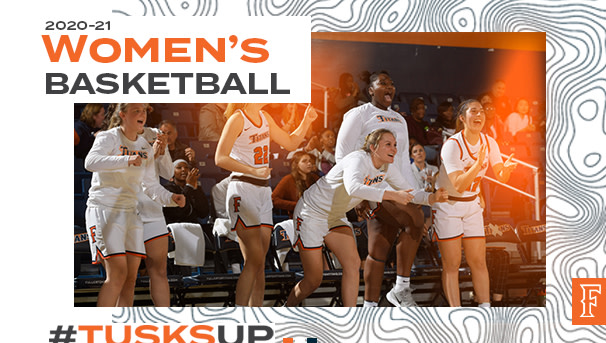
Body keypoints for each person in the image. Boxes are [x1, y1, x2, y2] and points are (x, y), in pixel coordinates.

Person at [285, 129, 447, 307]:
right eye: (388, 144)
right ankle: (286, 310)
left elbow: (409, 193)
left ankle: (351, 318)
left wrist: (431, 198)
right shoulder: (358, 159)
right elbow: (353, 189)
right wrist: (392, 195)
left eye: (395, 144)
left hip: (335, 216)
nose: (394, 148)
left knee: (353, 263)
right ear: (373, 147)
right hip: (312, 212)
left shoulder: (387, 168)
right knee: (313, 279)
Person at [335, 71, 432, 308]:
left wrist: (411, 192)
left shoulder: (399, 120)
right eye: (383, 83)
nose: (390, 86)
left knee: (378, 249)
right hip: (370, 188)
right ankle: (401, 288)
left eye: (392, 83)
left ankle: (369, 307)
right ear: (370, 90)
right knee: (416, 221)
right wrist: (356, 195)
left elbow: (401, 161)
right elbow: (342, 155)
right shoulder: (358, 114)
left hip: (395, 186)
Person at [215, 103, 317, 306]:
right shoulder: (238, 118)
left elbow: (290, 143)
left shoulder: (265, 117)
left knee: (260, 263)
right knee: (253, 261)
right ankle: (239, 315)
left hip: (263, 190)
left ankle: (256, 314)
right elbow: (220, 158)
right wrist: (252, 170)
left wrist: (306, 121)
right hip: (243, 187)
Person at [84, 103, 185, 307]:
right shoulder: (108, 137)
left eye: (144, 111)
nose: (142, 114)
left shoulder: (145, 145)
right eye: (136, 111)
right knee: (118, 273)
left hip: (131, 212)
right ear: (122, 114)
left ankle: (123, 328)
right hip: (105, 208)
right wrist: (127, 159)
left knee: (130, 278)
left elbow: (149, 185)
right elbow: (90, 162)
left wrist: (170, 198)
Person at [433, 99, 517, 307]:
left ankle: (485, 308)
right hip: (448, 206)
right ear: (462, 118)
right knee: (451, 264)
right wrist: (478, 163)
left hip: (472, 206)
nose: (479, 114)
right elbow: (459, 185)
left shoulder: (490, 142)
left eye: (482, 111)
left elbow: (501, 176)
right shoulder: (452, 145)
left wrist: (506, 170)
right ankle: (455, 312)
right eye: (473, 111)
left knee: (479, 262)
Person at [272, 151, 320, 218]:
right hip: (298, 218)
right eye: (304, 161)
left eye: (310, 161)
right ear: (296, 164)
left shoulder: (315, 178)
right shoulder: (288, 179)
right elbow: (274, 199)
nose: (309, 163)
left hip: (316, 216)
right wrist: (297, 205)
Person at [163, 159, 210, 224]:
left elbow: (203, 213)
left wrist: (196, 190)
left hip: (194, 226)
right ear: (172, 172)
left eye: (186, 167)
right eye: (179, 168)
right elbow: (178, 214)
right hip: (175, 227)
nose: (183, 169)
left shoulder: (194, 188)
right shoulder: (168, 189)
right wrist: (188, 187)